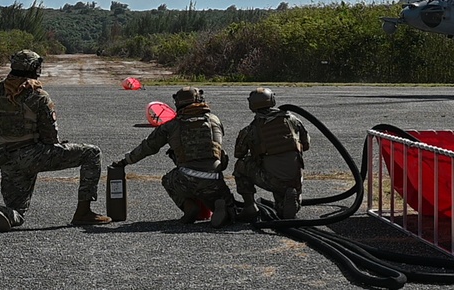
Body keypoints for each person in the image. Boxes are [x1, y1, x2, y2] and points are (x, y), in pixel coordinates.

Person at [0, 49, 111, 231]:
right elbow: (50, 137)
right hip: (33, 154)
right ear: (34, 68)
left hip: (7, 159)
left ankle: (7, 214)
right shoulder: (37, 95)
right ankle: (83, 212)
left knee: (19, 210)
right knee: (92, 153)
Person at [111, 87, 236, 227]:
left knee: (168, 180)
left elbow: (147, 148)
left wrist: (125, 161)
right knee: (234, 213)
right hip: (214, 178)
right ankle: (222, 206)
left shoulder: (171, 126)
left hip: (186, 178)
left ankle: (189, 206)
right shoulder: (214, 120)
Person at [233, 87, 311, 221]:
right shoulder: (291, 119)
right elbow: (307, 144)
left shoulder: (250, 129)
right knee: (282, 210)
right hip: (295, 178)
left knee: (241, 165)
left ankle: (249, 206)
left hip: (272, 179)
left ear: (251, 106)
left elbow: (238, 153)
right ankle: (292, 198)